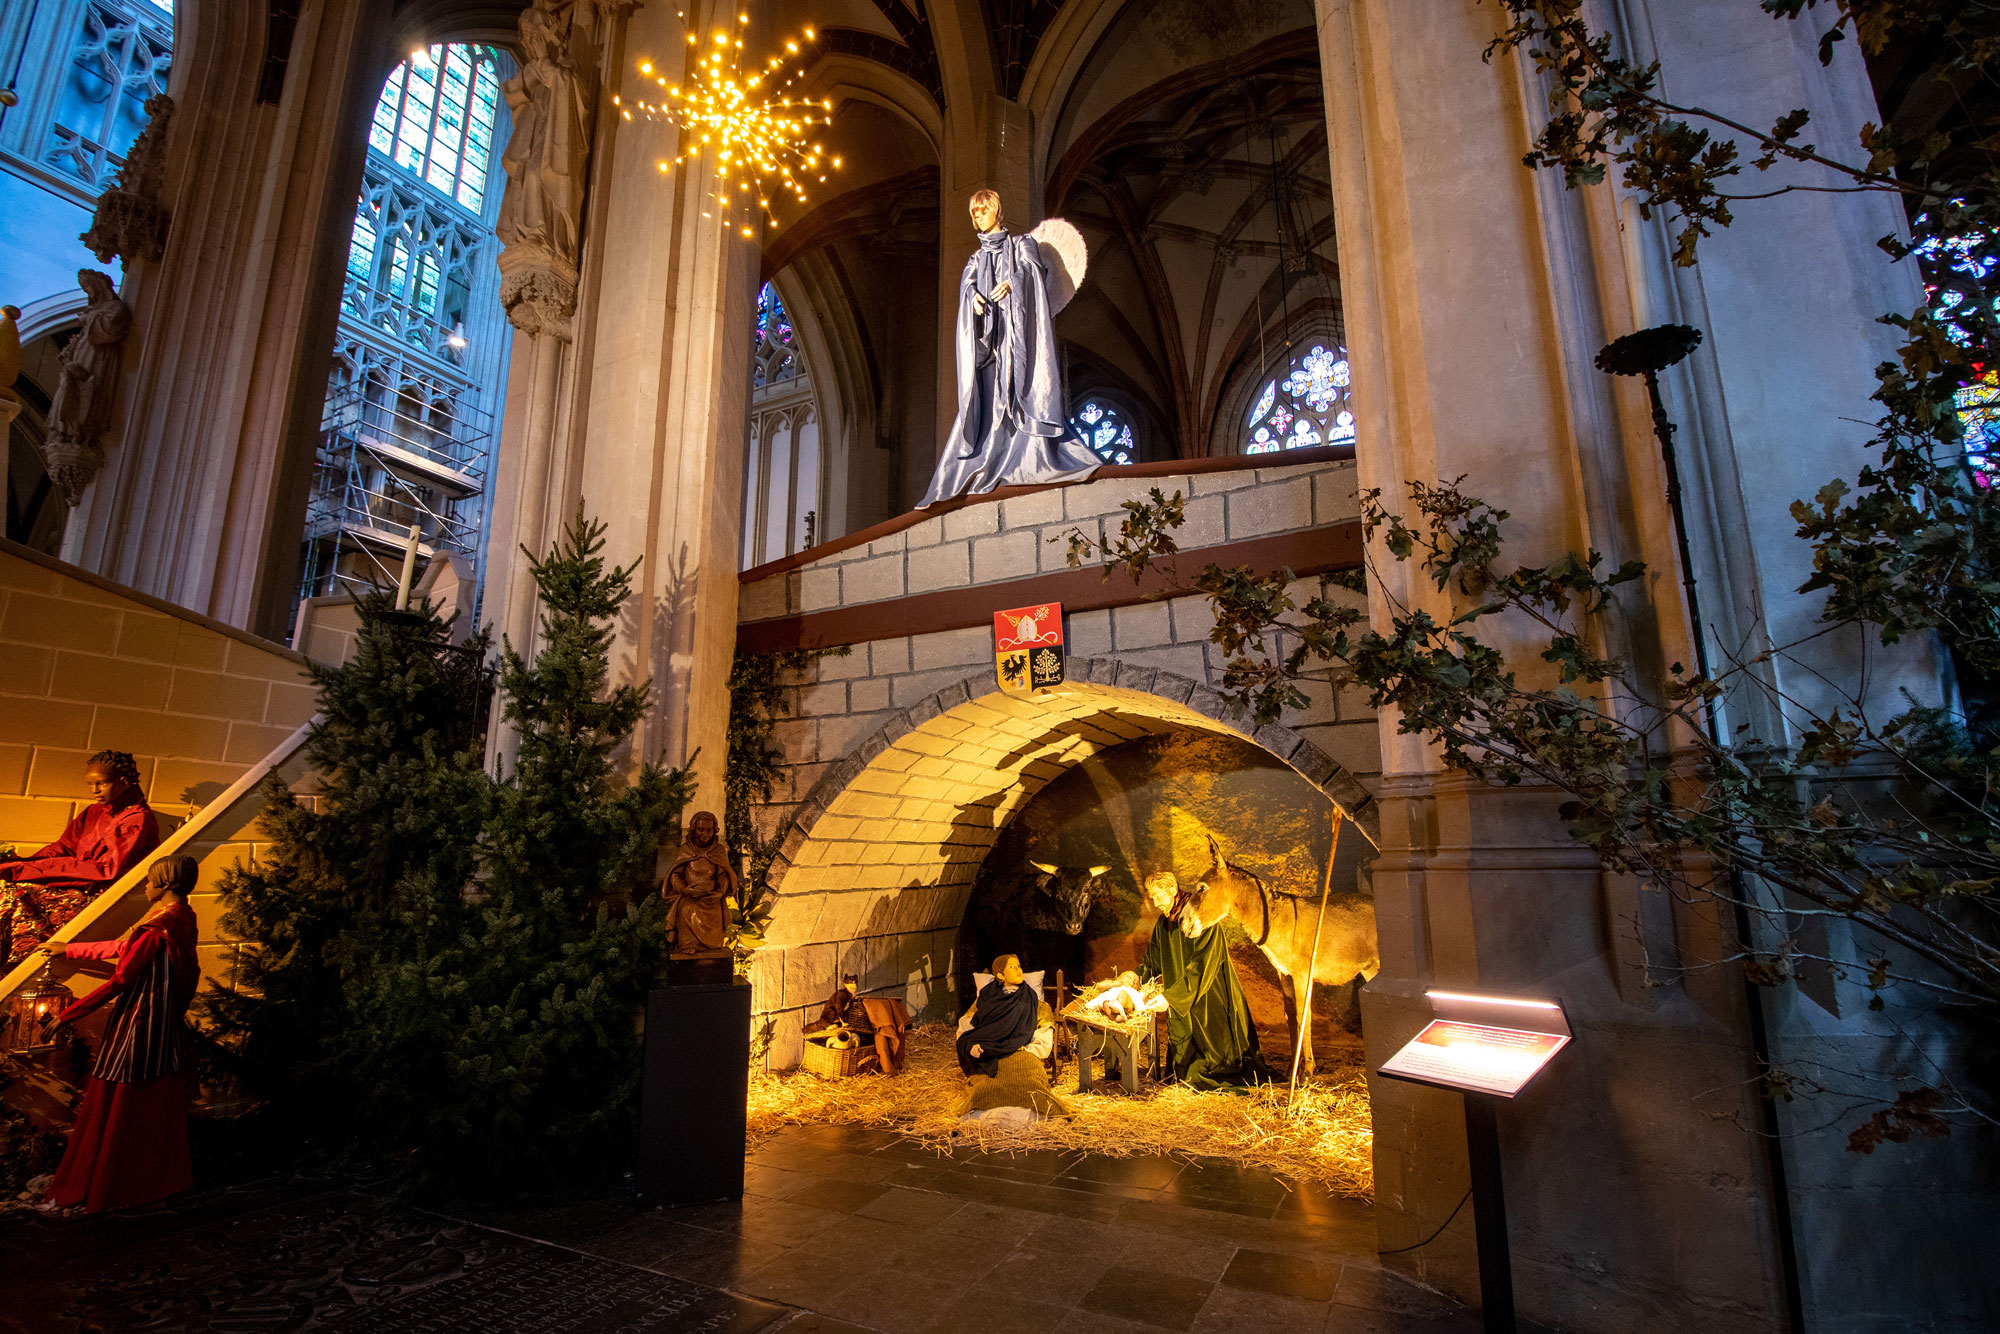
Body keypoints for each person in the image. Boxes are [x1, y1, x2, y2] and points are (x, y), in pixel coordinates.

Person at [917, 191, 1102, 507]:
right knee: (990, 404)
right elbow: (966, 288)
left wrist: (1013, 283)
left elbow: (1034, 275)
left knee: (1016, 395)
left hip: (1016, 344)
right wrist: (973, 298)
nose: (977, 218)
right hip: (991, 347)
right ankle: (989, 460)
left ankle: (1028, 459)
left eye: (982, 211)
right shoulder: (975, 259)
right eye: (974, 214)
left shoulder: (1022, 245)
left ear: (996, 211)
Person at [43, 854, 200, 1214]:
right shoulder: (181, 918)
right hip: (164, 1022)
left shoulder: (157, 927)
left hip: (140, 1022)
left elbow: (120, 978)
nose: (145, 886)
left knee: (121, 1099)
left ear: (165, 884)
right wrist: (68, 949)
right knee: (153, 1101)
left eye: (149, 880)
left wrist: (67, 1015)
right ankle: (155, 1179)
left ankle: (111, 1183)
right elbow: (123, 949)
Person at [1, 750, 160, 965]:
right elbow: (64, 847)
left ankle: (15, 964)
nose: (94, 791)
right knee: (5, 885)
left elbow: (105, 871)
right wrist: (22, 863)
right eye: (90, 785)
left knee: (16, 895)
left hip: (99, 893)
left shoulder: (137, 819)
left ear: (124, 782)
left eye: (102, 784)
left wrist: (21, 870)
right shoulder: (94, 812)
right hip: (75, 880)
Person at [1123, 871, 1267, 1091]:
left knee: (1214, 1059)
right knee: (1186, 1062)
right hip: (1181, 998)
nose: (1155, 902)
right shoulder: (1164, 923)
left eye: (1158, 896)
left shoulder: (1202, 918)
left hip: (1210, 995)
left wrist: (1170, 998)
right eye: (1151, 898)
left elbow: (1202, 967)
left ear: (1172, 890)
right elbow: (1153, 960)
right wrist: (1134, 975)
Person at [661, 810, 736, 963]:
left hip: (711, 897)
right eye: (701, 829)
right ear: (694, 829)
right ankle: (687, 945)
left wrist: (720, 892)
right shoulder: (685, 850)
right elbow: (676, 875)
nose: (705, 834)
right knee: (686, 908)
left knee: (716, 910)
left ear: (714, 830)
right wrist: (684, 889)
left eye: (709, 830)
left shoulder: (719, 851)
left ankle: (713, 946)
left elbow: (723, 875)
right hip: (690, 896)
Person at [808, 972, 911, 1075]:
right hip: (831, 1016)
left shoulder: (850, 995)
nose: (853, 984)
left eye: (854, 982)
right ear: (845, 983)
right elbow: (839, 1008)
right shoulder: (842, 994)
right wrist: (843, 1021)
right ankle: (828, 1025)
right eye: (850, 982)